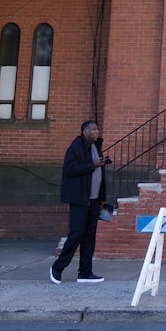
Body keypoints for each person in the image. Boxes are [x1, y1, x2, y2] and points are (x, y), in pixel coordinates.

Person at [51, 119, 112, 285]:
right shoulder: (76, 147)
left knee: (89, 237)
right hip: (80, 199)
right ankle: (57, 267)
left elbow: (100, 175)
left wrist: (102, 198)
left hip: (94, 200)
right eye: (93, 130)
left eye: (97, 129)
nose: (97, 132)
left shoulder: (95, 147)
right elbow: (70, 169)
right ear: (85, 132)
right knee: (77, 233)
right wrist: (92, 164)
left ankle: (85, 272)